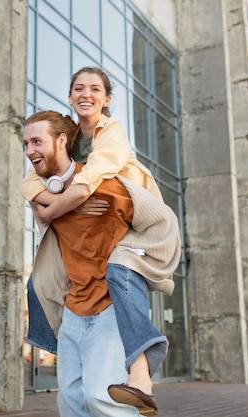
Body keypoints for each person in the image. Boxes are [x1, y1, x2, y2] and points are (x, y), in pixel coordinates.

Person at [20, 67, 172, 412]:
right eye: (77, 88)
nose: (85, 94)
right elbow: (29, 183)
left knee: (99, 397)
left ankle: (141, 376)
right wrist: (54, 206)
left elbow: (96, 176)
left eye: (94, 89)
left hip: (114, 288)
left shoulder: (111, 148)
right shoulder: (66, 145)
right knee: (72, 401)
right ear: (70, 97)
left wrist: (74, 196)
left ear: (107, 99)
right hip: (75, 304)